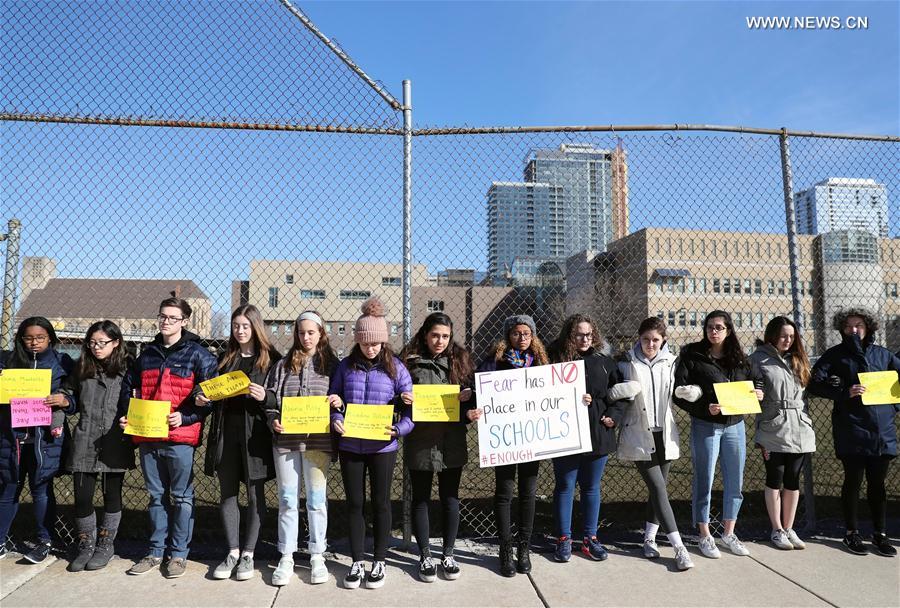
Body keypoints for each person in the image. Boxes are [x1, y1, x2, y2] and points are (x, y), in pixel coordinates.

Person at [118, 297, 218, 578]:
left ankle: (178, 555)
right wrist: (128, 415)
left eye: (173, 318)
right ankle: (154, 551)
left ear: (185, 321)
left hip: (179, 437)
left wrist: (185, 417)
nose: (166, 321)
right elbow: (130, 388)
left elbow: (209, 399)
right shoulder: (147, 354)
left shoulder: (200, 355)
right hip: (148, 435)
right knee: (155, 496)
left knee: (182, 497)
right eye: (163, 316)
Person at [329, 298, 413, 589]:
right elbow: (333, 399)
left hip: (382, 447)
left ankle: (379, 560)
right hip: (351, 446)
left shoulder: (396, 368)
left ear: (384, 342)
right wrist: (335, 416)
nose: (371, 348)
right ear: (358, 341)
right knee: (354, 504)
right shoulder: (344, 367)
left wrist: (399, 428)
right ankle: (356, 560)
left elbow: (412, 407)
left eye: (376, 343)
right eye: (366, 343)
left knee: (380, 504)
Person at [808, 307, 899, 557]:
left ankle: (880, 534)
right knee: (853, 482)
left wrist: (894, 406)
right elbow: (815, 383)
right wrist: (843, 392)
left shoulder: (883, 355)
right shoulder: (835, 355)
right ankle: (851, 533)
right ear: (842, 329)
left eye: (858, 325)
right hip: (852, 430)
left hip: (882, 432)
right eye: (848, 326)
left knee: (878, 485)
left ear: (868, 327)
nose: (854, 330)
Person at [673, 310, 761, 559]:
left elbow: (757, 380)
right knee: (705, 479)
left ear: (728, 330)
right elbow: (678, 393)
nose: (714, 331)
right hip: (706, 425)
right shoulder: (692, 355)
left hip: (735, 426)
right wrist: (703, 407)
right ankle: (704, 534)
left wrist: (759, 393)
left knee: (735, 480)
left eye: (719, 327)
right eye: (710, 326)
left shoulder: (739, 358)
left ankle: (729, 532)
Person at [608, 316, 693, 570]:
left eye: (655, 339)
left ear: (663, 340)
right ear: (639, 338)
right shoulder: (626, 363)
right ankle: (679, 547)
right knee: (658, 488)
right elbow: (611, 394)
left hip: (664, 433)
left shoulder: (671, 362)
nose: (650, 344)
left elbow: (683, 389)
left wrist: (691, 392)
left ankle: (649, 539)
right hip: (639, 434)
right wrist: (621, 390)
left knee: (659, 491)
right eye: (645, 339)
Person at [202, 305, 280, 581]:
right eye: (236, 325)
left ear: (256, 327)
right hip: (226, 434)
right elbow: (210, 389)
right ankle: (232, 552)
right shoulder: (225, 358)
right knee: (228, 494)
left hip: (255, 437)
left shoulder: (271, 359)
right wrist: (204, 398)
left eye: (245, 325)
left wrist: (266, 397)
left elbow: (281, 398)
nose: (240, 330)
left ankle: (249, 553)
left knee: (256, 496)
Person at [263, 310, 339, 587]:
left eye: (311, 332)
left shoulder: (332, 365)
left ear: (321, 333)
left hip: (318, 442)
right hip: (286, 442)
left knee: (317, 500)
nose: (305, 337)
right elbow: (271, 399)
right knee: (287, 499)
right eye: (301, 332)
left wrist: (336, 403)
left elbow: (341, 398)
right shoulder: (283, 365)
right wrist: (273, 420)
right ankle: (286, 555)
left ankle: (317, 555)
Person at [400, 312, 476, 582]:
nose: (440, 341)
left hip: (451, 440)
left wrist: (468, 405)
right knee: (421, 498)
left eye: (445, 336)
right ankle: (425, 555)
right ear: (425, 334)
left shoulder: (461, 361)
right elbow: (395, 397)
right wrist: (403, 398)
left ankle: (448, 553)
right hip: (420, 441)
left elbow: (470, 403)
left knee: (450, 497)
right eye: (435, 335)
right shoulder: (407, 362)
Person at [473, 314, 548, 577]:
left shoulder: (540, 361)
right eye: (516, 333)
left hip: (532, 436)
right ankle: (505, 549)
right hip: (504, 438)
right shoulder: (496, 361)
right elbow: (476, 384)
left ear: (533, 335)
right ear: (508, 335)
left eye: (527, 333)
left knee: (528, 491)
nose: (522, 338)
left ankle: (523, 548)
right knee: (504, 492)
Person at [546, 314, 625, 564]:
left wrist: (612, 415)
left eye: (589, 334)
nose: (585, 338)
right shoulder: (554, 360)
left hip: (597, 432)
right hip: (565, 433)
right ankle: (564, 539)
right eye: (579, 334)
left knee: (591, 487)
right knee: (565, 486)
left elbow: (619, 394)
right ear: (569, 334)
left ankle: (590, 538)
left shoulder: (604, 362)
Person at [61, 321, 134, 571]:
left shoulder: (128, 369)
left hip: (115, 439)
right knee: (82, 496)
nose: (96, 347)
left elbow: (139, 399)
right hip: (86, 438)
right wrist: (64, 400)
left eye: (102, 342)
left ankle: (106, 544)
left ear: (116, 343)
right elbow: (70, 397)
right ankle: (86, 544)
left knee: (111, 494)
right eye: (92, 342)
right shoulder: (81, 368)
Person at [0, 317, 74, 563]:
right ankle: (1, 539)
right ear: (21, 339)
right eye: (28, 338)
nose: (34, 343)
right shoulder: (8, 361)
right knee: (9, 487)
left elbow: (75, 395)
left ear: (50, 338)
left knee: (41, 489)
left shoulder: (62, 362)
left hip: (45, 438)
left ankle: (45, 541)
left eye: (40, 338)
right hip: (12, 437)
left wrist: (65, 401)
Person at [749, 316, 816, 551]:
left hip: (799, 426)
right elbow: (750, 384)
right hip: (773, 426)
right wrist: (755, 392)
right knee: (774, 478)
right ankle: (776, 529)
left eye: (791, 336)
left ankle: (789, 528)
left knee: (793, 480)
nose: (787, 340)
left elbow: (811, 385)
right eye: (783, 335)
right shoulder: (759, 358)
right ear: (772, 335)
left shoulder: (799, 359)